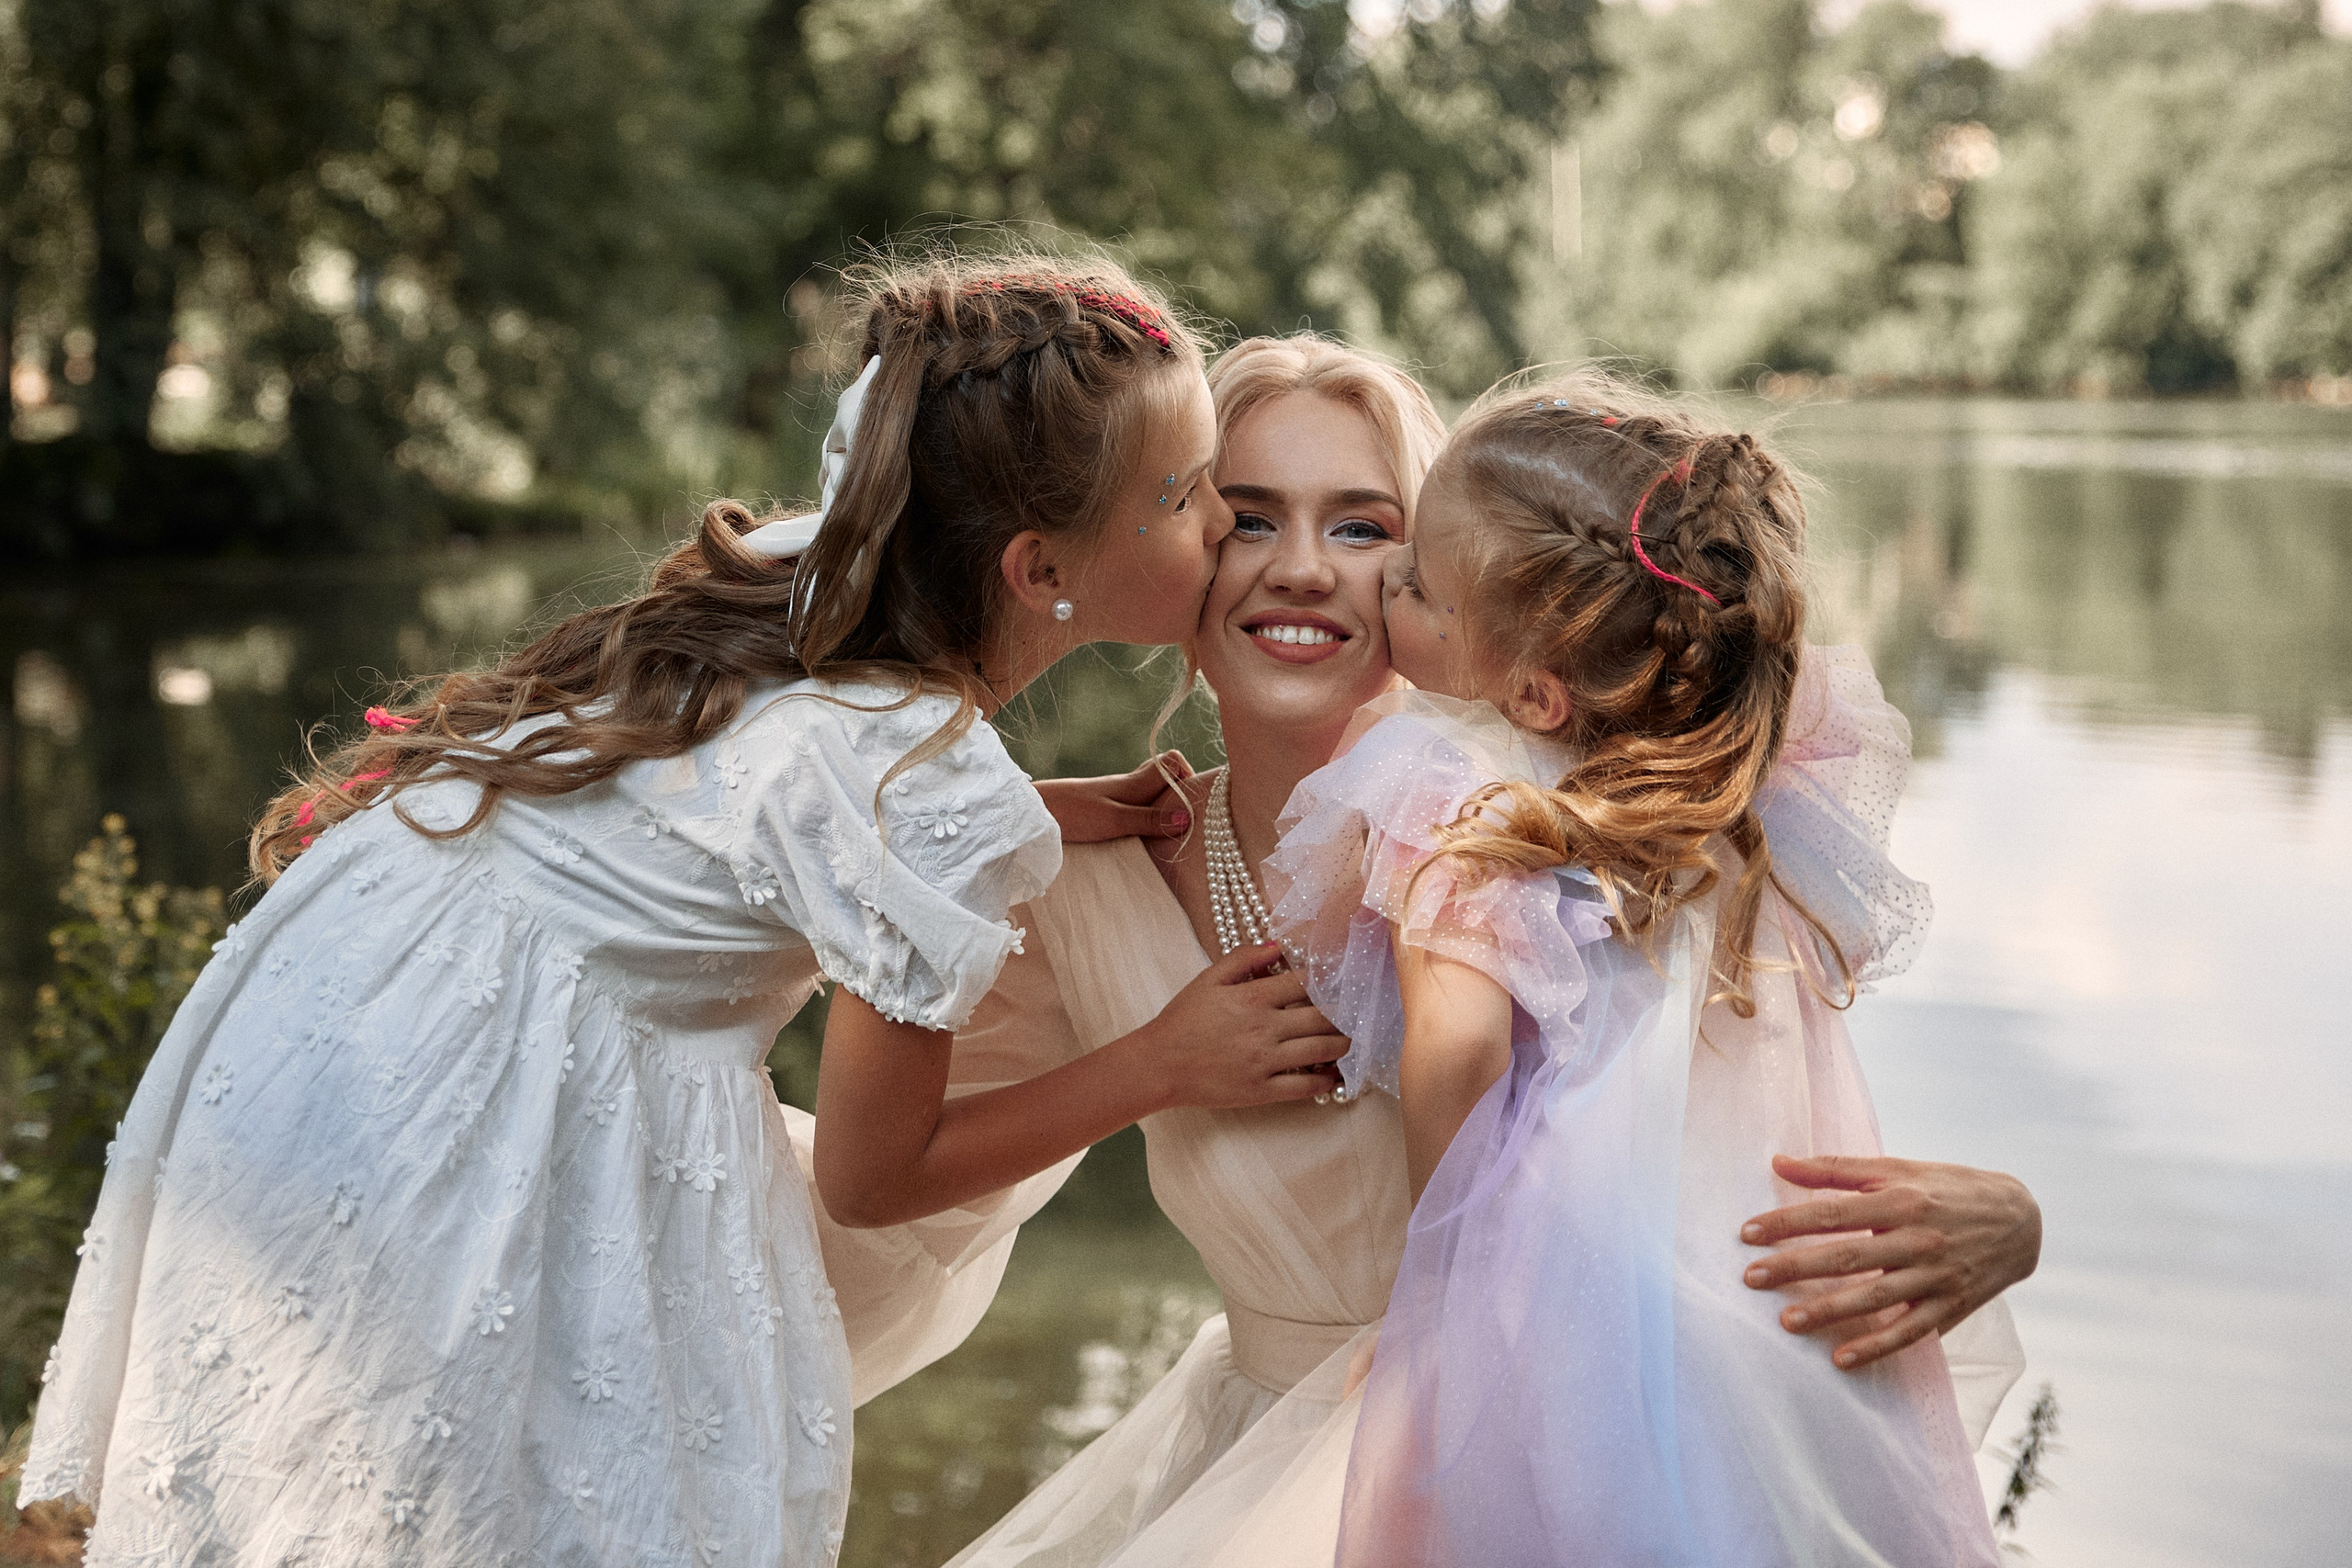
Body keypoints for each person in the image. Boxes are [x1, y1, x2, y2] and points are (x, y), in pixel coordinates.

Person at [17, 256, 1344, 1567]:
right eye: (1187, 496)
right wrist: (1161, 1059)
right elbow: (875, 1178)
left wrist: (1034, 816)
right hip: (495, 1086)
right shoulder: (926, 785)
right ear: (1039, 566)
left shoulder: (830, 571)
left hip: (370, 993)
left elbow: (740, 792)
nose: (1221, 522)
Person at [931, 336, 2034, 1568]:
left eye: (1367, 531)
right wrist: (1149, 1063)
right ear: (1178, 548)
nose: (1305, 569)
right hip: (1258, 1480)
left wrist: (2013, 1222)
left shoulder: (1580, 828)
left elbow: (1735, 1150)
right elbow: (894, 1173)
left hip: (1566, 1459)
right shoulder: (1080, 871)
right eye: (1248, 520)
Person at [1271, 373, 1997, 1564]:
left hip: (1550, 1281)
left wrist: (1437, 1298)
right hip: (1728, 1273)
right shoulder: (1723, 786)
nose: (1387, 578)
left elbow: (1460, 1057)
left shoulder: (1444, 790)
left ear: (1533, 689)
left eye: (1424, 589)